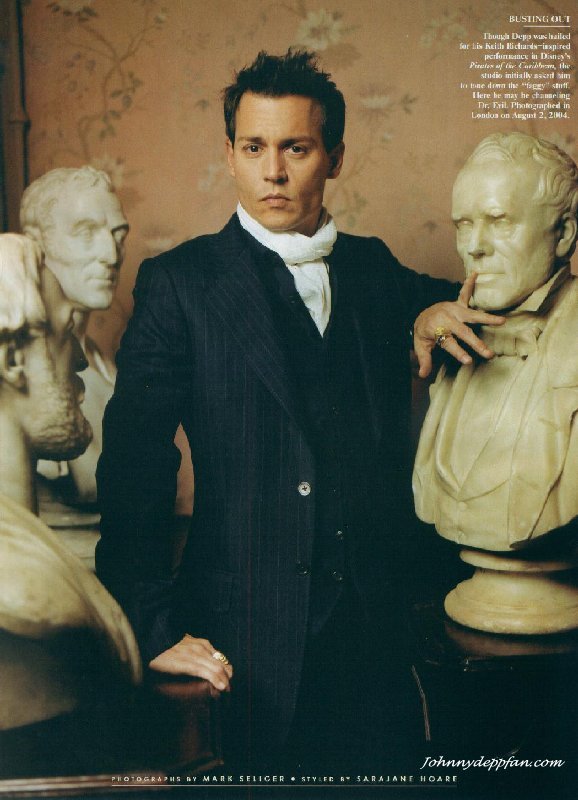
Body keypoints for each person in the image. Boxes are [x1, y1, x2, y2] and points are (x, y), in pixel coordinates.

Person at [96, 50, 501, 772]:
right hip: (239, 639)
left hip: (379, 639)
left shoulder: (375, 269)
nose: (274, 172)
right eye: (254, 148)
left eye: (297, 148)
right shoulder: (179, 283)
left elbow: (473, 304)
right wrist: (148, 626)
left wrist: (429, 314)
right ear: (229, 155)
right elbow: (135, 467)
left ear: (334, 158)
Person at [0, 234, 140, 772]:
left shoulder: (30, 554)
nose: (81, 358)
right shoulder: (20, 591)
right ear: (12, 359)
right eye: (64, 334)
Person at [414, 132, 578, 551]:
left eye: (500, 221)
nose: (474, 247)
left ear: (563, 234)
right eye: (463, 225)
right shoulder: (452, 335)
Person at [20, 167, 129, 503]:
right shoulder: (22, 370)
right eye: (86, 232)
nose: (111, 255)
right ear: (37, 241)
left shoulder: (106, 368)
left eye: (119, 235)